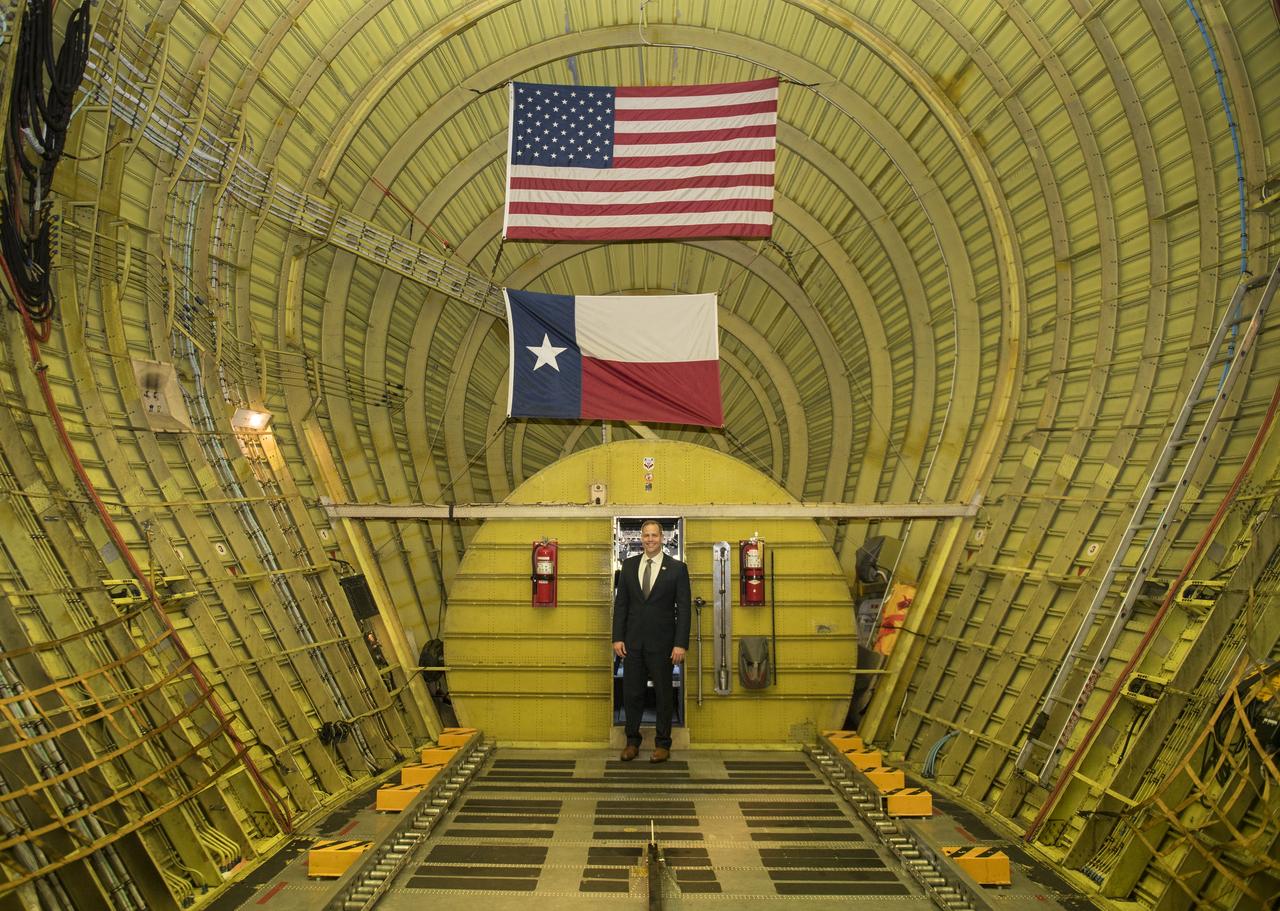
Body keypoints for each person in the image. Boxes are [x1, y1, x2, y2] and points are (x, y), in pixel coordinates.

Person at [612, 520, 691, 763]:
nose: (650, 539)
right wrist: (617, 638)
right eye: (646, 535)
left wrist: (680, 643)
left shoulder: (677, 568)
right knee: (632, 693)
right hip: (633, 644)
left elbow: (685, 609)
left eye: (654, 535)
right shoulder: (628, 565)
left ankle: (662, 744)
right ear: (641, 538)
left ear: (663, 537)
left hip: (664, 645)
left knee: (664, 695)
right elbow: (622, 605)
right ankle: (632, 742)